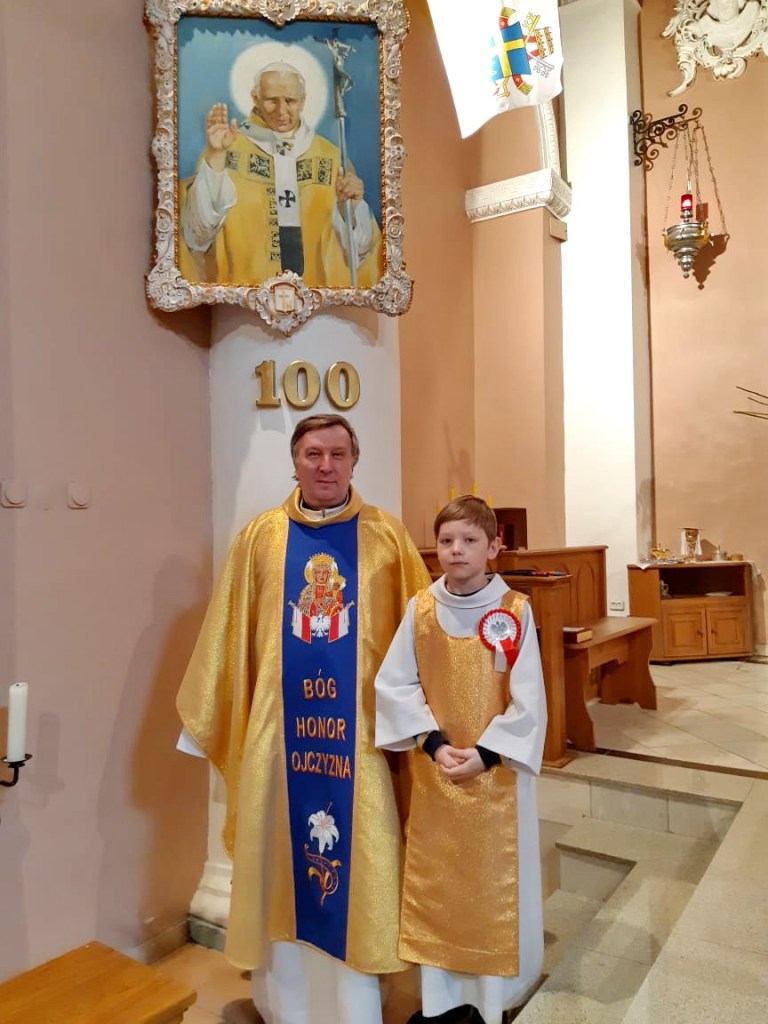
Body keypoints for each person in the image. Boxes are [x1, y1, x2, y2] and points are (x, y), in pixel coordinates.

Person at [177, 413, 430, 1024]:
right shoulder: (260, 538)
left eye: (338, 454)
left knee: (362, 866)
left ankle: (356, 1008)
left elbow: (422, 632)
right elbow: (229, 636)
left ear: (354, 461)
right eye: (313, 453)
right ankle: (288, 1009)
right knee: (278, 868)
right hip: (278, 741)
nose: (325, 465)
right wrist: (206, 717)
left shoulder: (386, 538)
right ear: (294, 462)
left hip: (361, 741)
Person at [375, 496, 547, 1024]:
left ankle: (492, 1002)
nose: (456, 550)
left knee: (491, 888)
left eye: (470, 540)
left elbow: (529, 696)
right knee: (440, 887)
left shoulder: (513, 611)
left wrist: (487, 754)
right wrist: (431, 743)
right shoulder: (421, 609)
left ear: (494, 547)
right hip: (438, 773)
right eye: (447, 540)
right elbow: (395, 683)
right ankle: (442, 1004)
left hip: (496, 780)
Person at [180, 61, 382, 288]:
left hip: (316, 295)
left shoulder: (331, 157)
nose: (281, 111)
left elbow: (360, 252)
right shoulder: (228, 149)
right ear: (255, 98)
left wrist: (351, 210)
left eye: (290, 101)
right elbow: (198, 236)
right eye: (272, 100)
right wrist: (216, 158)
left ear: (303, 101)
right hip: (246, 293)